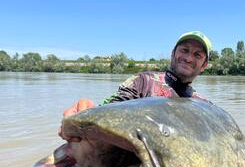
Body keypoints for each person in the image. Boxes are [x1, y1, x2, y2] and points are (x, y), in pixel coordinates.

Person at [59, 31, 212, 140]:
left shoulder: (205, 106)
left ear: (204, 65)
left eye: (197, 55)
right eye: (184, 50)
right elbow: (113, 108)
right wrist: (87, 111)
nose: (188, 58)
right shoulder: (143, 81)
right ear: (173, 53)